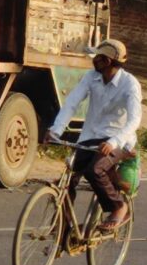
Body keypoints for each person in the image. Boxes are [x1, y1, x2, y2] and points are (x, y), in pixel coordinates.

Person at [46, 39, 142, 231]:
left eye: (98, 57)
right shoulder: (91, 77)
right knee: (68, 178)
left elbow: (134, 120)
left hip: (119, 140)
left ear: (107, 61)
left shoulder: (129, 84)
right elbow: (72, 102)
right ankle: (64, 227)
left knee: (94, 170)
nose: (94, 60)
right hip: (90, 136)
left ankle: (118, 207)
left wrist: (114, 142)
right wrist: (56, 130)